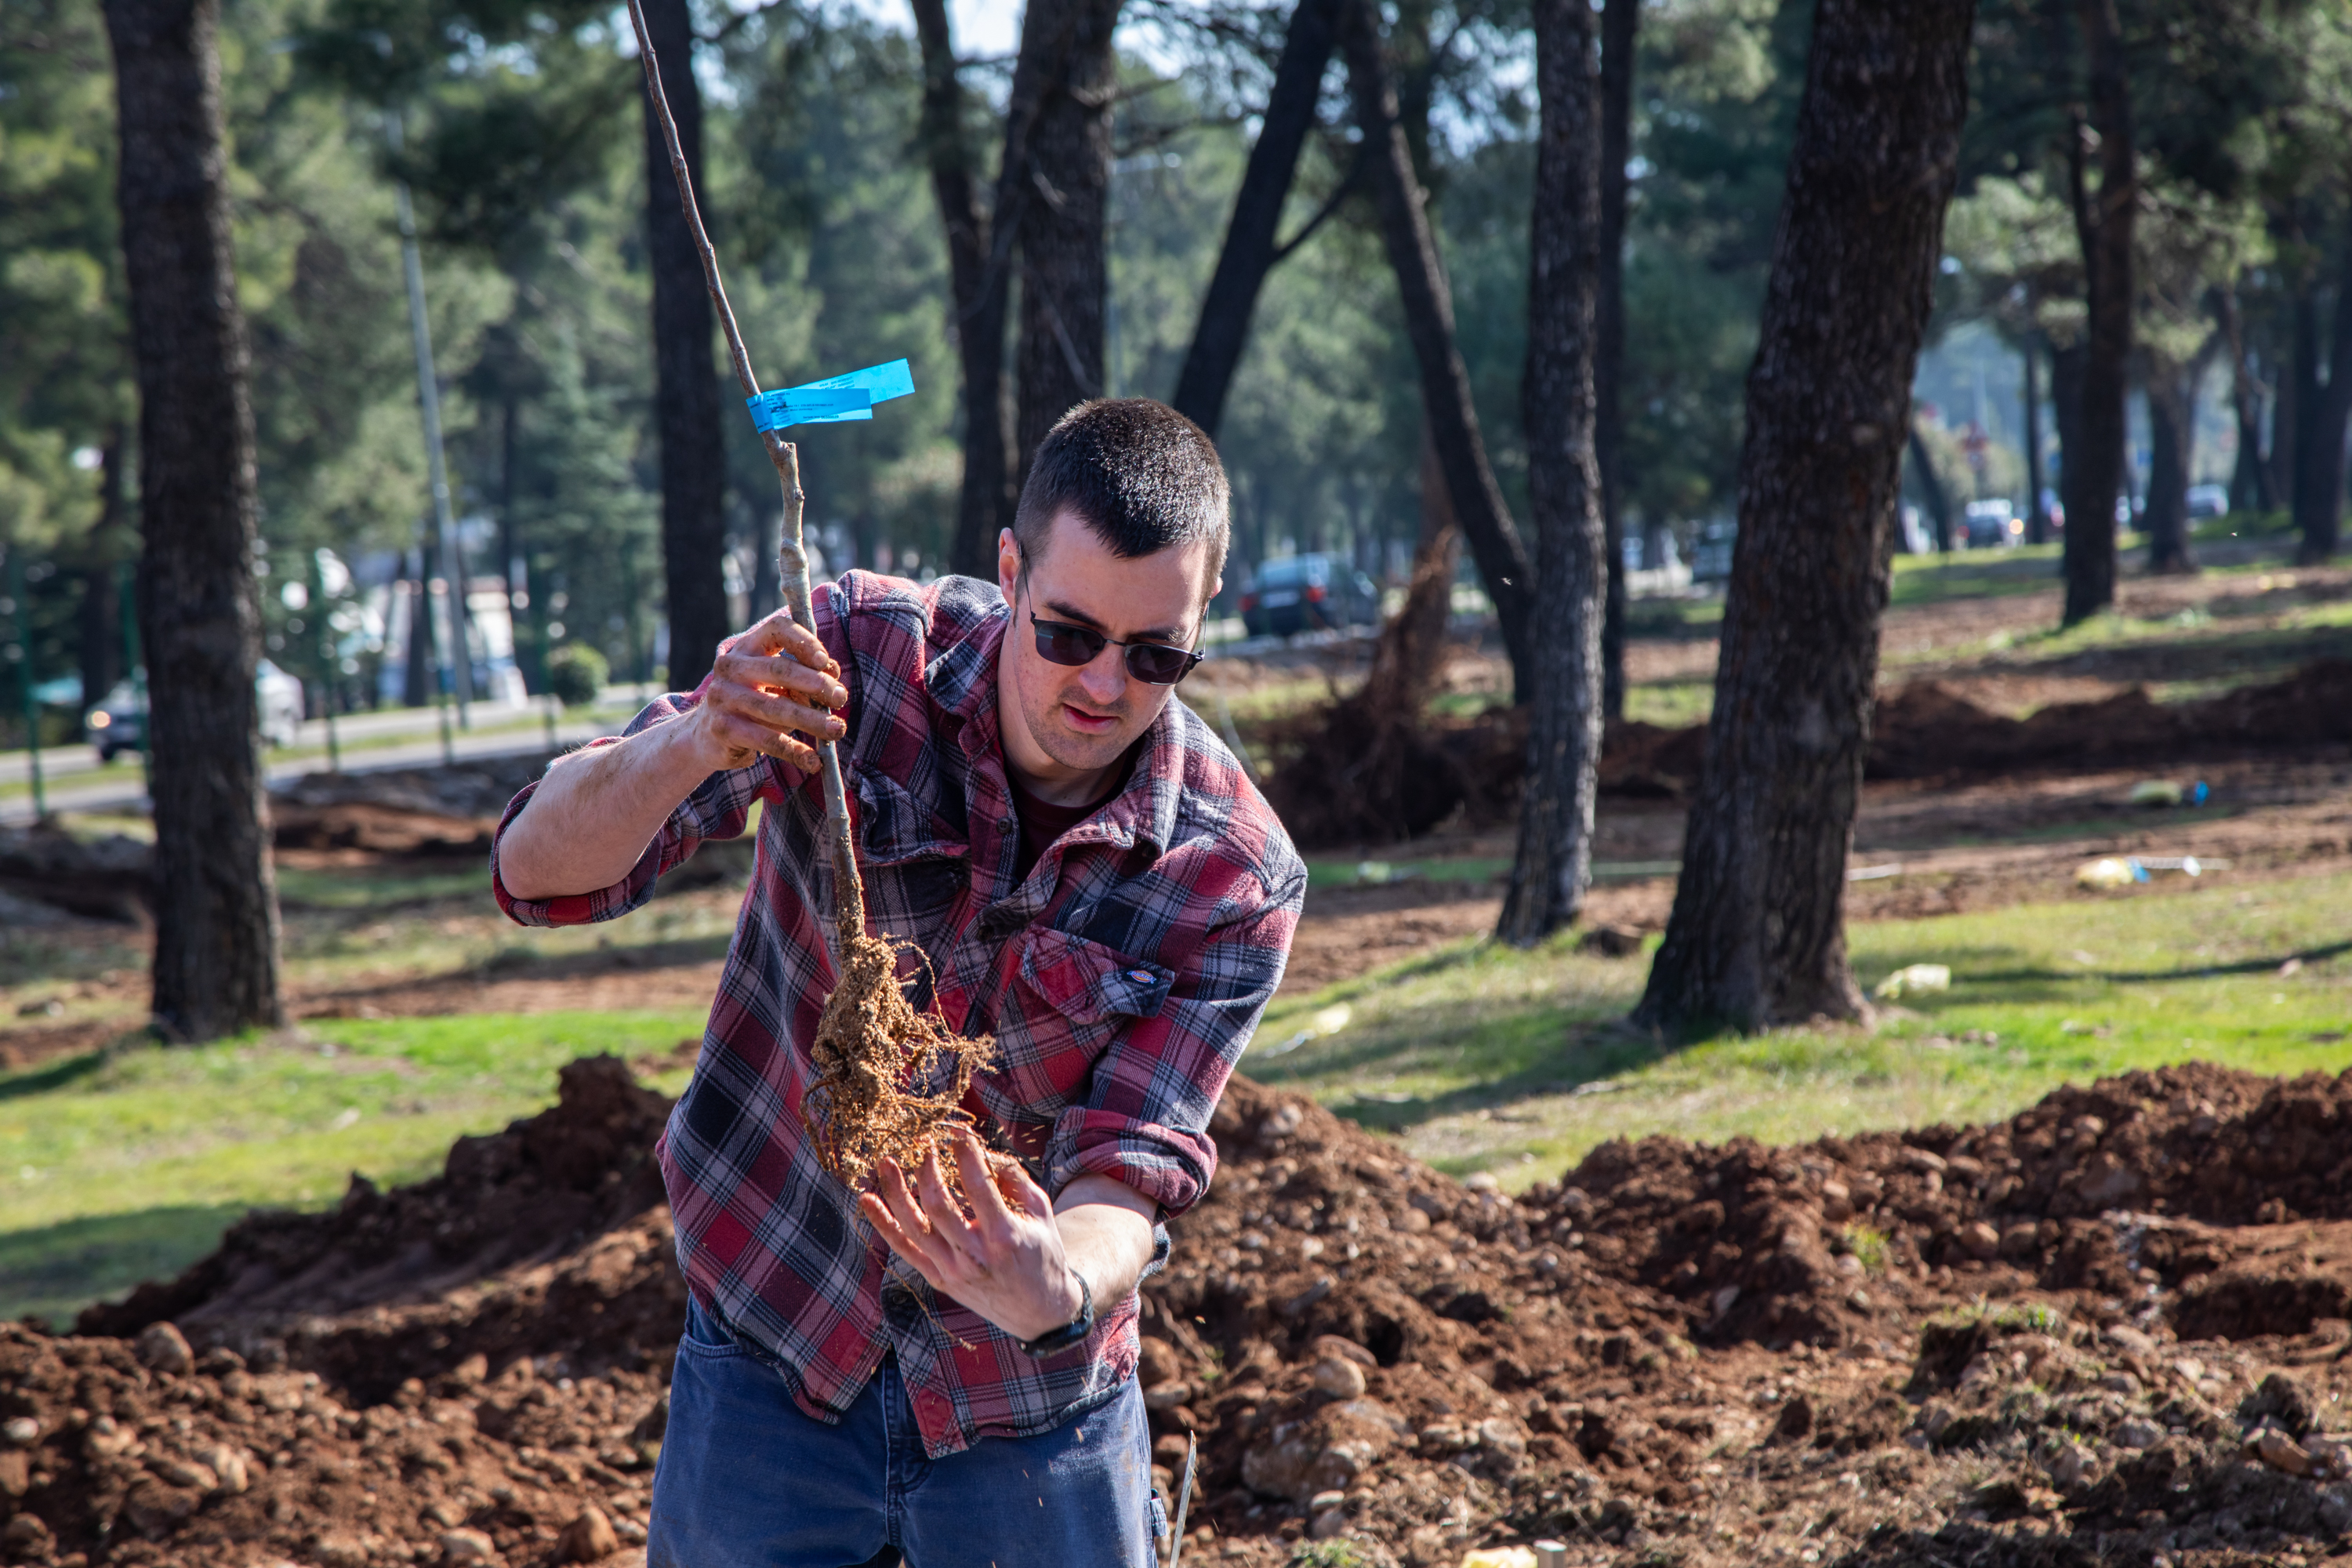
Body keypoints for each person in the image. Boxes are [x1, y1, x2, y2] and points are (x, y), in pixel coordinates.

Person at [491, 398, 1304, 1567]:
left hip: (1028, 1412)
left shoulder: (1231, 871)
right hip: (777, 1348)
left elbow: (1135, 1163)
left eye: (1156, 655)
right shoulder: (858, 665)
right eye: (1069, 632)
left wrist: (1059, 1282)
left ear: (1201, 622)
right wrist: (693, 741)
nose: (1103, 687)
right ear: (1011, 570)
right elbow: (533, 874)